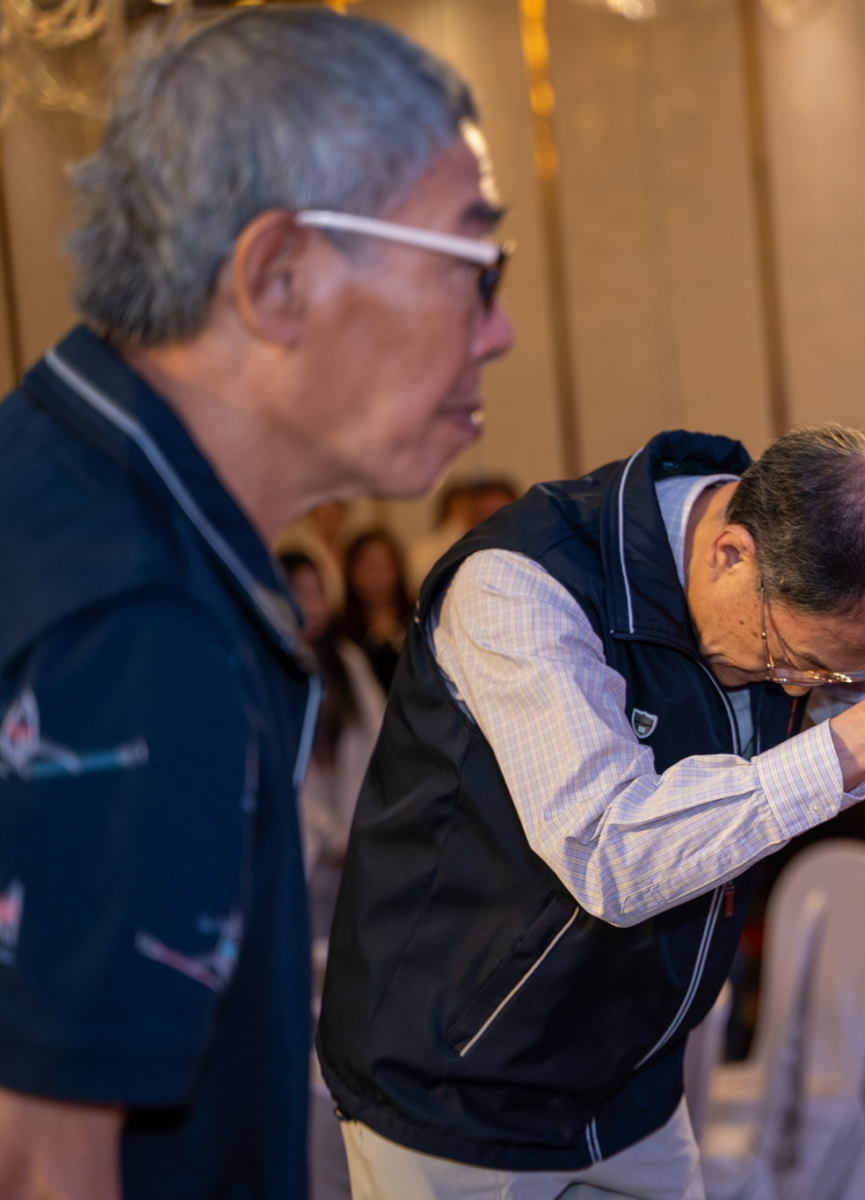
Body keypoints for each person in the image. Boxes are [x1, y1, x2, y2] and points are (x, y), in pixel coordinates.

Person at [318, 425, 865, 1198]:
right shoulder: (522, 584)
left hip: (637, 1086)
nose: (800, 689)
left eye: (838, 677)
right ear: (730, 553)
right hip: (458, 1090)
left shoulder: (824, 594)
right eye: (796, 661)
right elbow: (610, 852)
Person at [0, 10, 512, 1197]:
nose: (500, 330)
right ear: (279, 278)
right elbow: (37, 1157)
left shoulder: (59, 484)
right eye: (472, 266)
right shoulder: (140, 620)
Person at [281, 552, 386, 922]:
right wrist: (326, 836)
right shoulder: (268, 667)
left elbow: (379, 744)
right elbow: (279, 768)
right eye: (297, 593)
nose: (308, 605)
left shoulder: (348, 662)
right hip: (301, 838)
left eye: (315, 593)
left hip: (355, 831)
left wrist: (354, 830)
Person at [341, 528, 417, 690]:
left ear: (398, 568)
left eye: (382, 565)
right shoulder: (341, 629)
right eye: (368, 567)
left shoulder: (420, 617)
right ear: (351, 572)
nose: (375, 576)